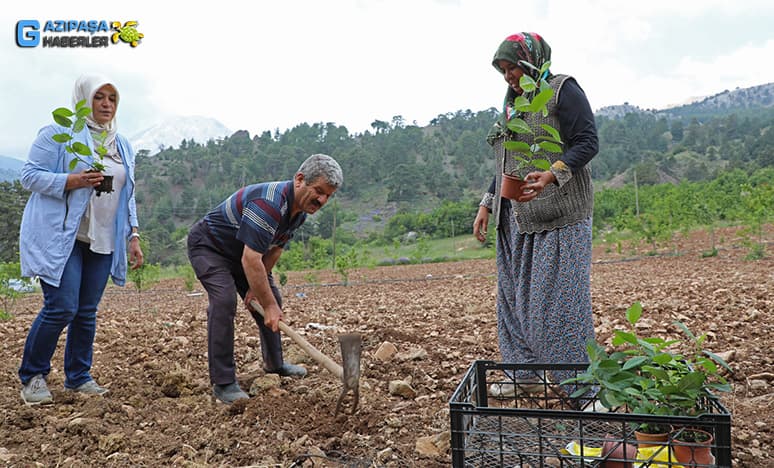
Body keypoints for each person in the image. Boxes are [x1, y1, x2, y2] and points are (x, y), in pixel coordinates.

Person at [472, 33, 599, 404]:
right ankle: (523, 375)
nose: (509, 76)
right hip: (516, 220)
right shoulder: (513, 106)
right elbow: (507, 163)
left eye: (513, 67)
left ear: (532, 62)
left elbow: (587, 142)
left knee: (559, 306)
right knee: (512, 302)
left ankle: (585, 388)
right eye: (504, 70)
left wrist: (552, 174)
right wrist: (488, 202)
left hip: (558, 218)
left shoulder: (562, 91)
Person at [18, 75, 144, 405]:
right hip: (62, 234)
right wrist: (70, 180)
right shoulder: (58, 135)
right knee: (61, 306)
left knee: (86, 311)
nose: (106, 104)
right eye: (99, 97)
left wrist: (133, 234)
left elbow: (127, 192)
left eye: (112, 99)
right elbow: (29, 175)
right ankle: (32, 376)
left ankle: (78, 377)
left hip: (102, 237)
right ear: (83, 99)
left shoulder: (122, 144)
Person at [187, 154, 343, 404]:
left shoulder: (299, 212)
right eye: (319, 191)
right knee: (225, 301)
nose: (322, 200)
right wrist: (266, 305)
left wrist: (260, 294)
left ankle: (275, 364)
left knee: (273, 297)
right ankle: (224, 383)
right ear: (300, 180)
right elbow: (251, 260)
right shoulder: (268, 204)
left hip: (245, 253)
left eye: (328, 196)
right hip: (210, 247)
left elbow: (275, 249)